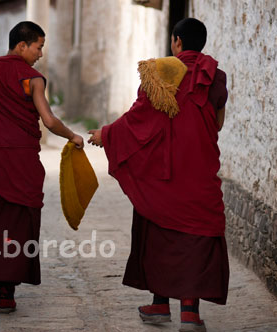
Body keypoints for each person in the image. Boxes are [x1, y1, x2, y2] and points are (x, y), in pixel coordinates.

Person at [88, 18, 228, 332]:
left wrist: (107, 135)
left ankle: (160, 304)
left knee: (159, 231)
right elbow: (217, 123)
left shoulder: (158, 73)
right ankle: (188, 314)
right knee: (197, 237)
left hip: (163, 173)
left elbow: (139, 117)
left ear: (176, 42)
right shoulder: (216, 77)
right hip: (199, 172)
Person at [0, 21, 84, 313]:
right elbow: (48, 120)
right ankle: (7, 294)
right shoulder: (33, 79)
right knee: (20, 225)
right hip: (23, 162)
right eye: (38, 47)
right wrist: (72, 135)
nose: (40, 54)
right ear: (22, 45)